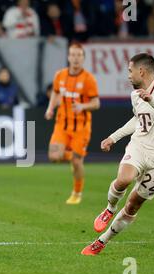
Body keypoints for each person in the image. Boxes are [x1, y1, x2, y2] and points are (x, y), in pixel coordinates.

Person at [81, 53, 154, 255]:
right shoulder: (135, 94)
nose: (128, 75)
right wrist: (114, 137)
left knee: (133, 205)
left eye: (130, 70)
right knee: (123, 179)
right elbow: (138, 119)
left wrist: (153, 101)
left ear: (141, 71)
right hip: (140, 145)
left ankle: (102, 241)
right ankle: (109, 208)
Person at [45, 43, 100, 205]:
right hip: (61, 124)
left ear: (83, 58)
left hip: (81, 127)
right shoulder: (60, 75)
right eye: (73, 55)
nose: (75, 58)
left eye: (79, 55)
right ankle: (73, 157)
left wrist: (83, 106)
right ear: (68, 57)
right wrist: (50, 109)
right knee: (54, 156)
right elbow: (55, 94)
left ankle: (77, 193)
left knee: (77, 162)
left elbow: (96, 103)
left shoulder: (89, 79)